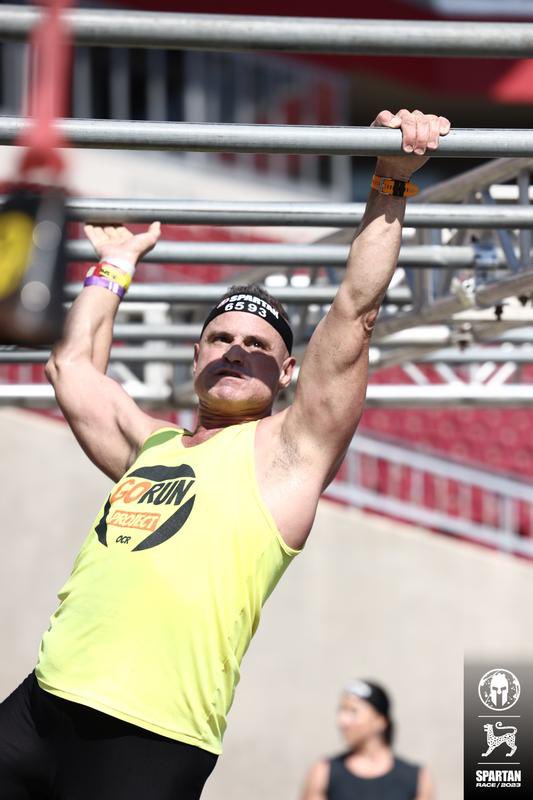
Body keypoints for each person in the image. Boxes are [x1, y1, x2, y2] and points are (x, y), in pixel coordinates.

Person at [0, 108, 450, 800]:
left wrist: (390, 182)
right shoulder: (150, 444)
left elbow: (355, 310)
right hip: (41, 702)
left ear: (287, 372)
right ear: (194, 355)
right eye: (219, 339)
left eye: (257, 346)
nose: (235, 349)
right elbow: (71, 370)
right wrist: (114, 267)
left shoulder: (286, 456)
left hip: (151, 738)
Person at [300, 679, 433, 800]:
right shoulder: (324, 773)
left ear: (380, 721)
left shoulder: (415, 778)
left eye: (353, 711)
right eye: (341, 711)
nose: (342, 721)